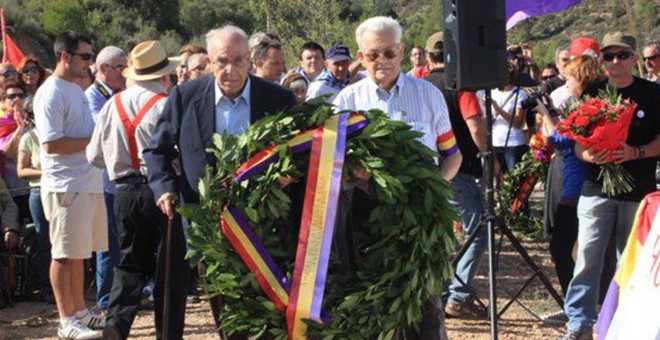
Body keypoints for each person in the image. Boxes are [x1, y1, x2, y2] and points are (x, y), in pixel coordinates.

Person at [143, 24, 296, 333]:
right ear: (209, 62)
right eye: (222, 61)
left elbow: (299, 150)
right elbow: (156, 149)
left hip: (263, 224)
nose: (231, 70)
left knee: (263, 304)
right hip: (206, 223)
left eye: (238, 60)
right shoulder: (185, 96)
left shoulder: (277, 99)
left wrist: (289, 174)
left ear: (250, 60)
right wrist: (164, 188)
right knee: (223, 304)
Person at [333, 16, 461, 340]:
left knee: (426, 311)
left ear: (402, 51)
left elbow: (453, 155)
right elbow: (329, 166)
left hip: (419, 223)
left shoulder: (429, 94)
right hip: (364, 222)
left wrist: (433, 189)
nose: (382, 62)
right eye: (373, 54)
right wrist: (353, 172)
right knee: (371, 312)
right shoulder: (345, 102)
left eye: (389, 53)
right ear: (361, 57)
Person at [559, 32, 660, 340]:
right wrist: (587, 152)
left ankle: (623, 325)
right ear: (601, 60)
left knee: (629, 263)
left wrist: (636, 152)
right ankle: (578, 325)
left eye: (622, 55)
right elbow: (577, 143)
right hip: (596, 190)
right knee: (588, 259)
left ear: (634, 59)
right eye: (609, 56)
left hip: (637, 194)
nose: (615, 62)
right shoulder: (592, 94)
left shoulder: (653, 94)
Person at [86, 40, 181, 340]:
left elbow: (93, 157)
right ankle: (166, 331)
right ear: (164, 74)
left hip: (123, 191)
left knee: (128, 261)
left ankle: (116, 323)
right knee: (167, 265)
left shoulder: (112, 103)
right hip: (161, 190)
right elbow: (176, 152)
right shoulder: (166, 103)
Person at [33, 31, 107, 340]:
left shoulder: (75, 88)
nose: (90, 63)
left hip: (85, 182)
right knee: (63, 254)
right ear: (66, 57)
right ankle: (66, 321)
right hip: (65, 185)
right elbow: (51, 144)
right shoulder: (51, 92)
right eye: (86, 56)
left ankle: (79, 312)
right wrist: (96, 139)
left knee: (78, 253)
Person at [423, 31, 488, 319]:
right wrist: (488, 155)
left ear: (427, 57)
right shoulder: (461, 87)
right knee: (477, 232)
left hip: (428, 173)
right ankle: (457, 295)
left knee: (442, 237)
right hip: (459, 170)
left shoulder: (418, 86)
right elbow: (475, 126)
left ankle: (442, 293)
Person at [85, 45, 128, 313]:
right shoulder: (94, 97)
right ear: (103, 69)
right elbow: (103, 130)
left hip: (114, 181)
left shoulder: (112, 94)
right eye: (121, 67)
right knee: (108, 244)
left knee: (118, 242)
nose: (125, 73)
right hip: (101, 182)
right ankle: (105, 300)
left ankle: (116, 295)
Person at [17, 86, 54, 304]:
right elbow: (22, 171)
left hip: (60, 190)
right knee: (44, 240)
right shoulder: (29, 138)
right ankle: (45, 286)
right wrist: (46, 172)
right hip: (39, 192)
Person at [490, 60, 529, 174]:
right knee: (498, 181)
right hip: (495, 142)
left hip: (513, 143)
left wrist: (498, 109)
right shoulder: (492, 92)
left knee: (513, 180)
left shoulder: (519, 94)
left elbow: (518, 122)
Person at [0, 82, 31, 225]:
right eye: (12, 96)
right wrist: (19, 129)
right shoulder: (2, 124)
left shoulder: (33, 121)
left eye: (21, 95)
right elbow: (6, 152)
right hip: (12, 192)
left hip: (33, 188)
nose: (17, 99)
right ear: (3, 101)